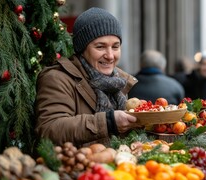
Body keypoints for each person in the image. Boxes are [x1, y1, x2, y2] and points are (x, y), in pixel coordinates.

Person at [35, 7, 141, 148]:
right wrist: (108, 122)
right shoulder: (56, 78)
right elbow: (49, 129)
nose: (110, 55)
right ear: (82, 49)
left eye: (115, 47)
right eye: (100, 47)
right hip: (73, 167)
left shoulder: (117, 82)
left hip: (114, 167)